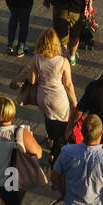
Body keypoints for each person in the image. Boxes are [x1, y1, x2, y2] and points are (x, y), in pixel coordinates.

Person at [28, 27, 77, 162]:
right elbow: (68, 84)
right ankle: (55, 154)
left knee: (49, 118)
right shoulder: (62, 62)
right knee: (62, 129)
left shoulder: (36, 58)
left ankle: (51, 140)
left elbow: (32, 80)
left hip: (42, 97)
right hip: (58, 99)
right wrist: (74, 101)